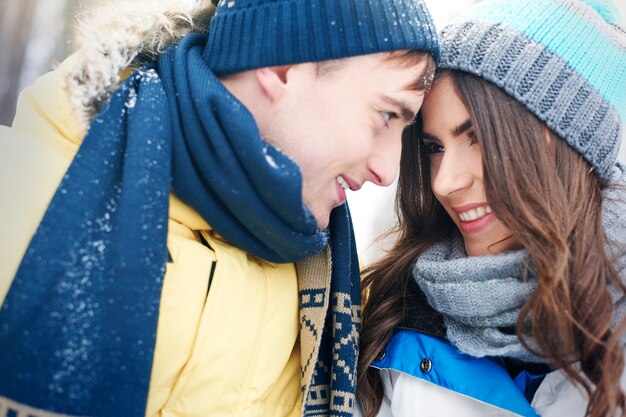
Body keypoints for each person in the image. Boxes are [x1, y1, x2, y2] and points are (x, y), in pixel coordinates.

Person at [0, 0, 440, 416]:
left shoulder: (331, 293)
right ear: (283, 65)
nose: (389, 170)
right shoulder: (23, 199)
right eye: (386, 115)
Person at [357, 0, 626, 416]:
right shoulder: (397, 315)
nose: (445, 182)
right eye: (433, 148)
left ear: (566, 144)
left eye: (479, 137)